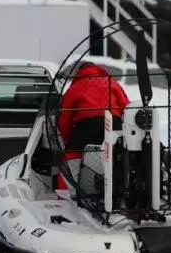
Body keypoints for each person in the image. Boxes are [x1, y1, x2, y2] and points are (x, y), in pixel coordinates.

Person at [56, 62, 131, 198]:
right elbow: (127, 107)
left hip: (86, 125)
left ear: (79, 72)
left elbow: (64, 117)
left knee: (72, 156)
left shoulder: (76, 86)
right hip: (113, 123)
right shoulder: (111, 83)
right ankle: (118, 188)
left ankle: (67, 193)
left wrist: (67, 141)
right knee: (116, 155)